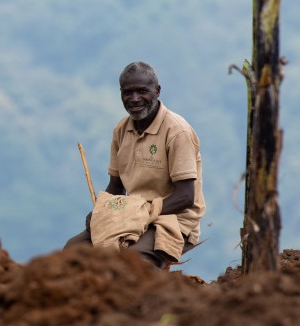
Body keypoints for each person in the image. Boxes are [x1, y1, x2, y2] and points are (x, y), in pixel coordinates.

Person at [65, 61, 206, 268]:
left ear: (157, 91)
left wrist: (140, 214)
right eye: (127, 93)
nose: (134, 99)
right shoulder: (121, 130)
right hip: (130, 216)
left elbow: (186, 196)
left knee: (131, 264)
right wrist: (100, 214)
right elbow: (115, 186)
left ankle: (152, 298)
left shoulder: (177, 131)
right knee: (73, 252)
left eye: (142, 91)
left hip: (172, 220)